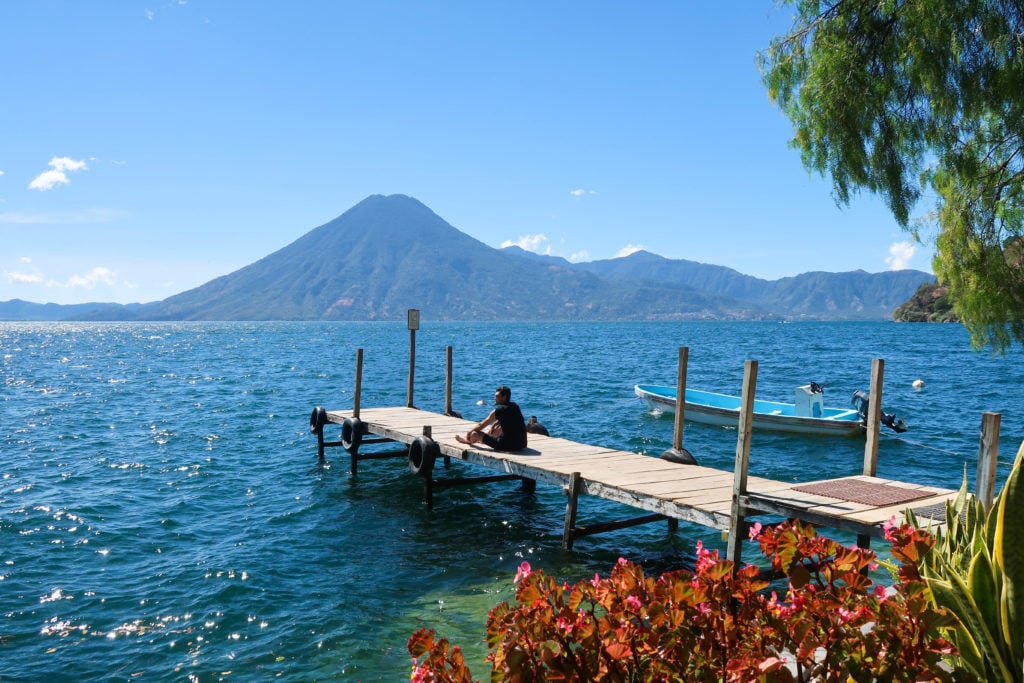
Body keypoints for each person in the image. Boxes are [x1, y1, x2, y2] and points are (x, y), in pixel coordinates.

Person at [455, 385, 527, 451]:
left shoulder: (498, 410)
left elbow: (481, 425)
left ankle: (468, 440)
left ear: (504, 397)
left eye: (497, 396)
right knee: (498, 427)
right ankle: (480, 440)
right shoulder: (515, 406)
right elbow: (512, 420)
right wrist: (497, 423)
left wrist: (469, 433)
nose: (494, 398)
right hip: (521, 444)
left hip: (505, 446)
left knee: (475, 433)